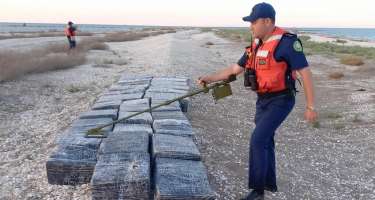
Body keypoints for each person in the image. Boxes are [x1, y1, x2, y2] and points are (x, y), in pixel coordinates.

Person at [197, 2, 318, 200]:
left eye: (253, 22)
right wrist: (209, 78)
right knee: (266, 140)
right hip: (262, 101)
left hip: (282, 100)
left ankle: (257, 191)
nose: (250, 26)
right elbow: (234, 70)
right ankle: (268, 183)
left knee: (258, 139)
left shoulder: (287, 42)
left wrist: (311, 106)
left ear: (267, 21)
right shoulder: (255, 45)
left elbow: (305, 72)